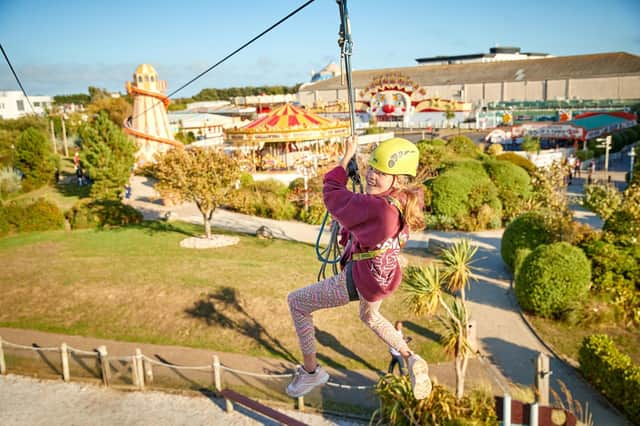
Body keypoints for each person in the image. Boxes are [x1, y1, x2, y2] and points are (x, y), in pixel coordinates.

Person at [286, 136, 432, 400]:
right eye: (372, 169)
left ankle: (310, 372)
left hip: (359, 279)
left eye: (381, 172)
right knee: (370, 317)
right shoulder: (403, 201)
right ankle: (410, 357)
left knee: (297, 303)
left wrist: (346, 156)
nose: (372, 176)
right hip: (384, 278)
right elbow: (364, 216)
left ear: (397, 179)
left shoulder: (377, 209)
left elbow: (332, 192)